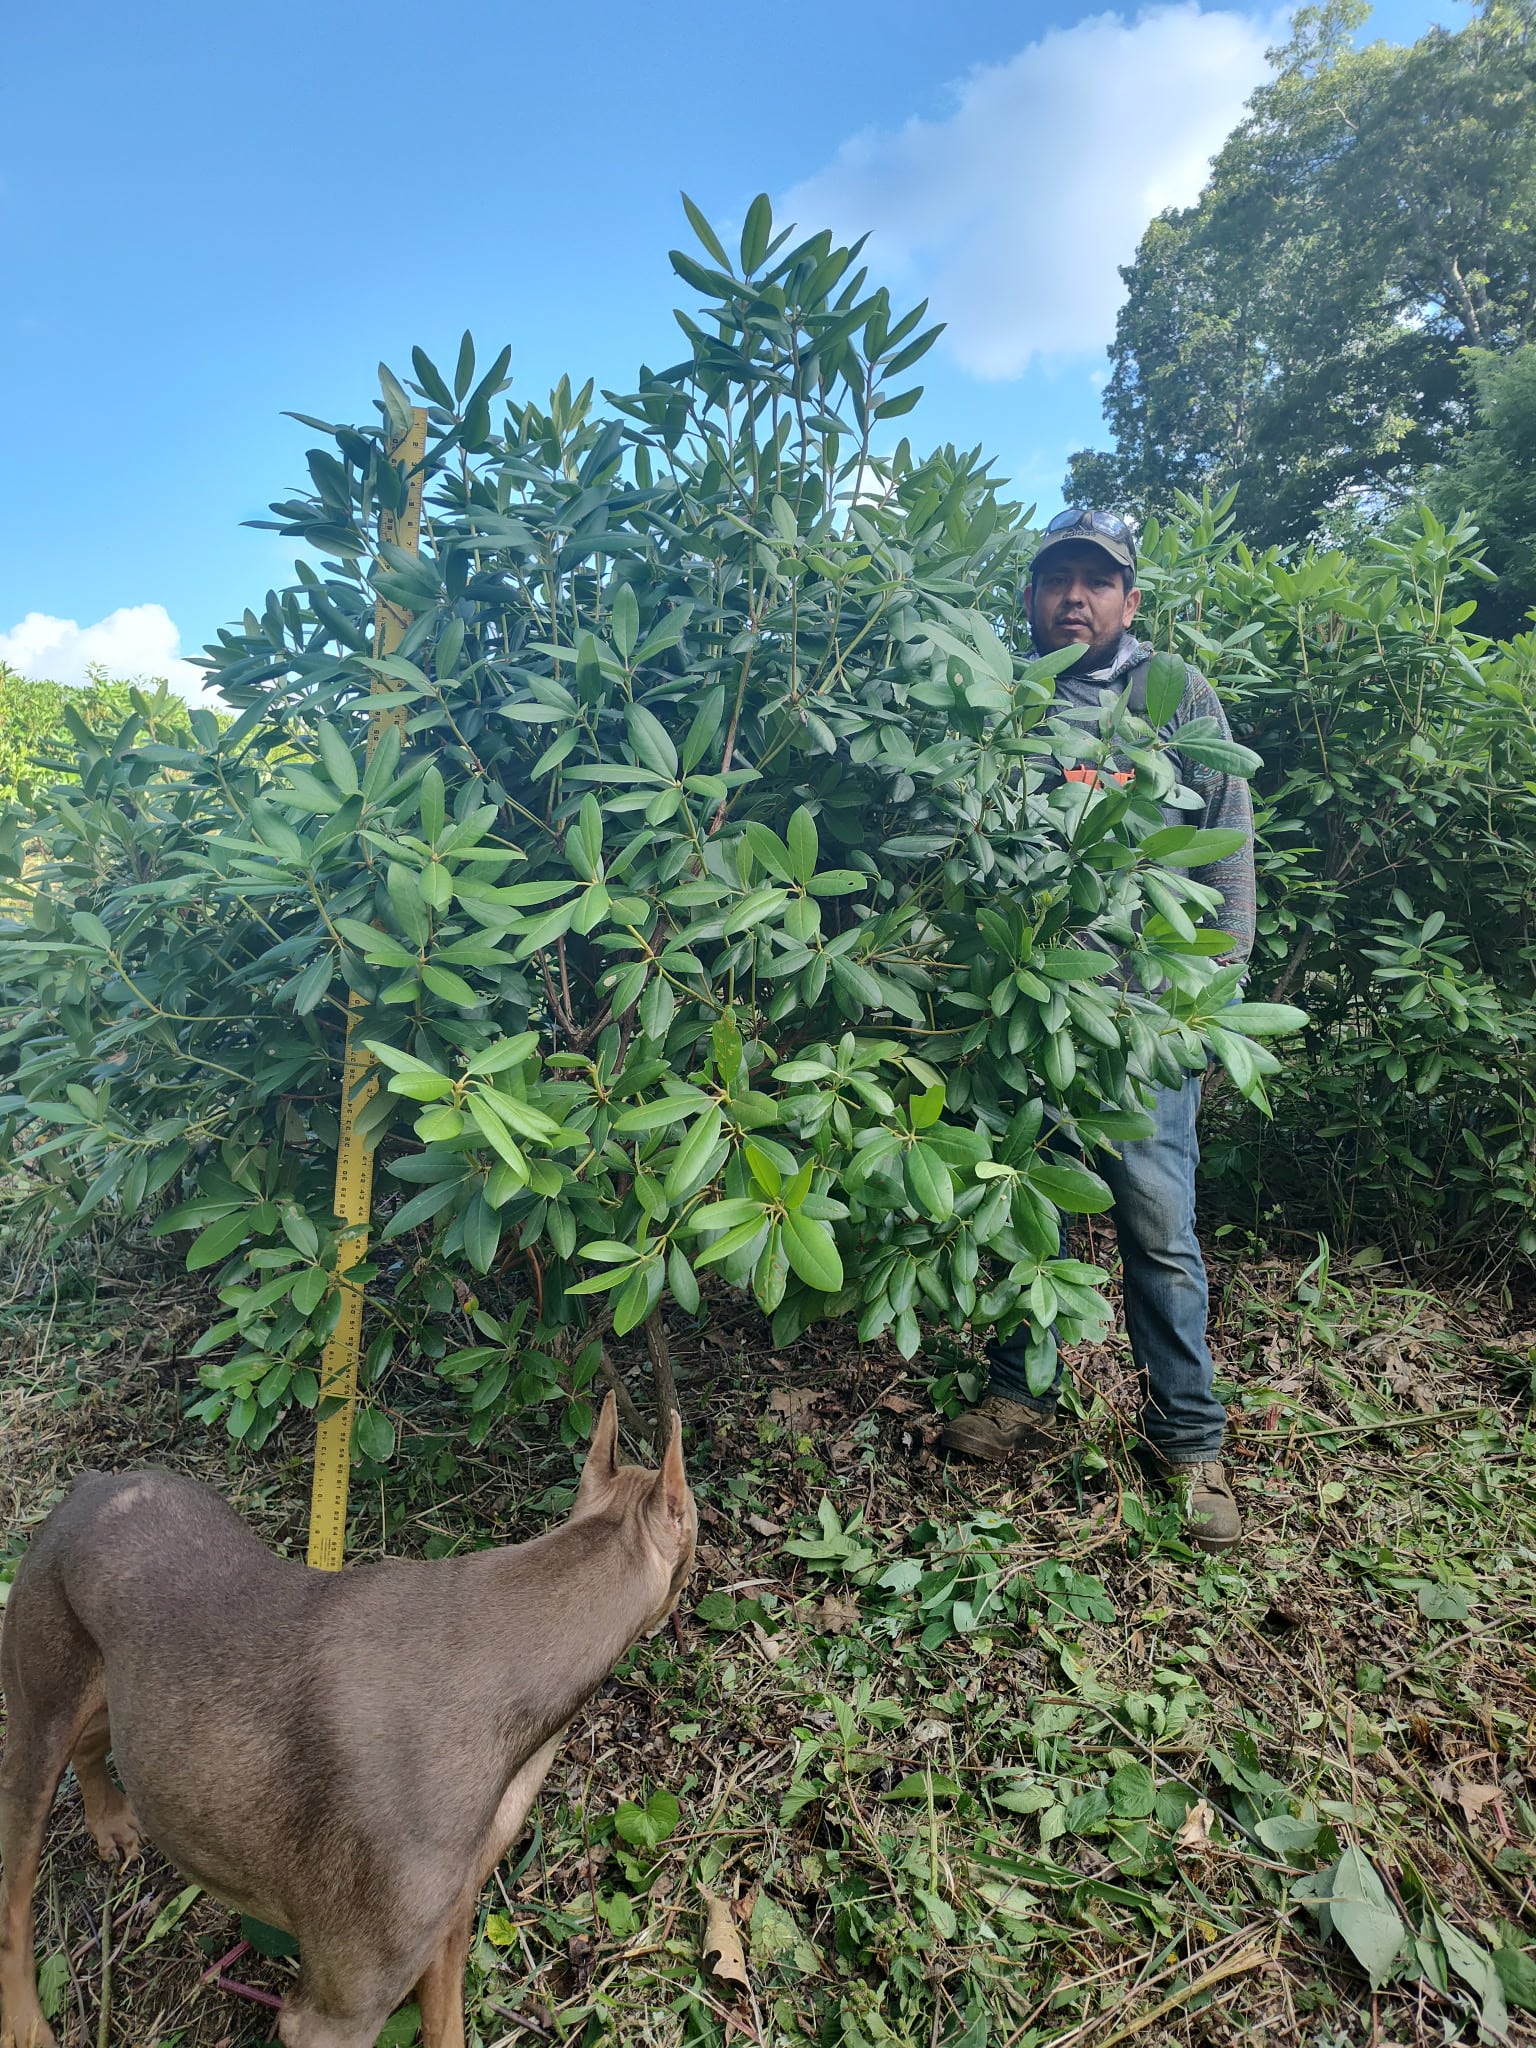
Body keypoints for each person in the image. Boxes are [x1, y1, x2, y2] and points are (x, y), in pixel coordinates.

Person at [940, 508, 1257, 1552]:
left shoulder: (1175, 696)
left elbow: (1226, 861)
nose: (1073, 596)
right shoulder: (1007, 701)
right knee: (1024, 1209)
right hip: (1031, 1011)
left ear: (1129, 597)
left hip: (1141, 1021)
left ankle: (1189, 1444)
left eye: (1095, 579)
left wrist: (1206, 1011)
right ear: (1031, 595)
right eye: (1056, 578)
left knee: (1159, 1232)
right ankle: (1019, 1393)